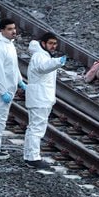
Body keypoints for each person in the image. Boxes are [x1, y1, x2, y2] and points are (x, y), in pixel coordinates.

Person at [23, 33, 67, 170]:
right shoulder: (40, 56)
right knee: (36, 128)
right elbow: (44, 67)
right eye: (50, 43)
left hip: (41, 98)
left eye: (55, 44)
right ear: (43, 43)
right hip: (39, 98)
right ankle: (33, 158)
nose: (53, 46)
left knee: (35, 127)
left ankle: (30, 156)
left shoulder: (44, 55)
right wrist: (59, 61)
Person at [0, 19, 26, 162]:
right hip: (2, 88)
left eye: (14, 28)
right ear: (2, 30)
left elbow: (13, 66)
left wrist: (20, 81)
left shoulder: (10, 45)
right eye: (9, 29)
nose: (13, 31)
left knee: (1, 118)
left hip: (10, 86)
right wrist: (3, 91)